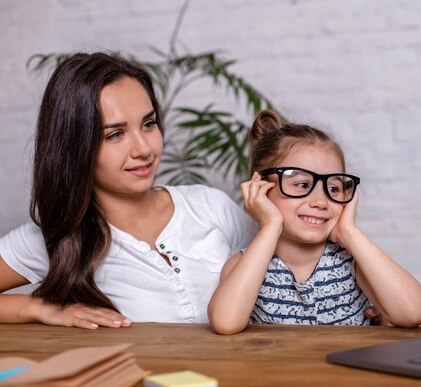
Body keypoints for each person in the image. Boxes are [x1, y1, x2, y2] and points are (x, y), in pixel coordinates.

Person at [0, 52, 254, 329]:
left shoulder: (210, 206)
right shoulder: (58, 238)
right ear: (75, 147)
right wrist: (40, 308)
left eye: (149, 124)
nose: (143, 149)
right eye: (115, 135)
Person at [208, 110, 421, 334]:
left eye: (333, 188)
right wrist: (270, 225)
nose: (321, 201)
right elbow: (226, 323)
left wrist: (349, 232)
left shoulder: (353, 262)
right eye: (302, 185)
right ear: (260, 188)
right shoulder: (245, 264)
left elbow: (412, 313)